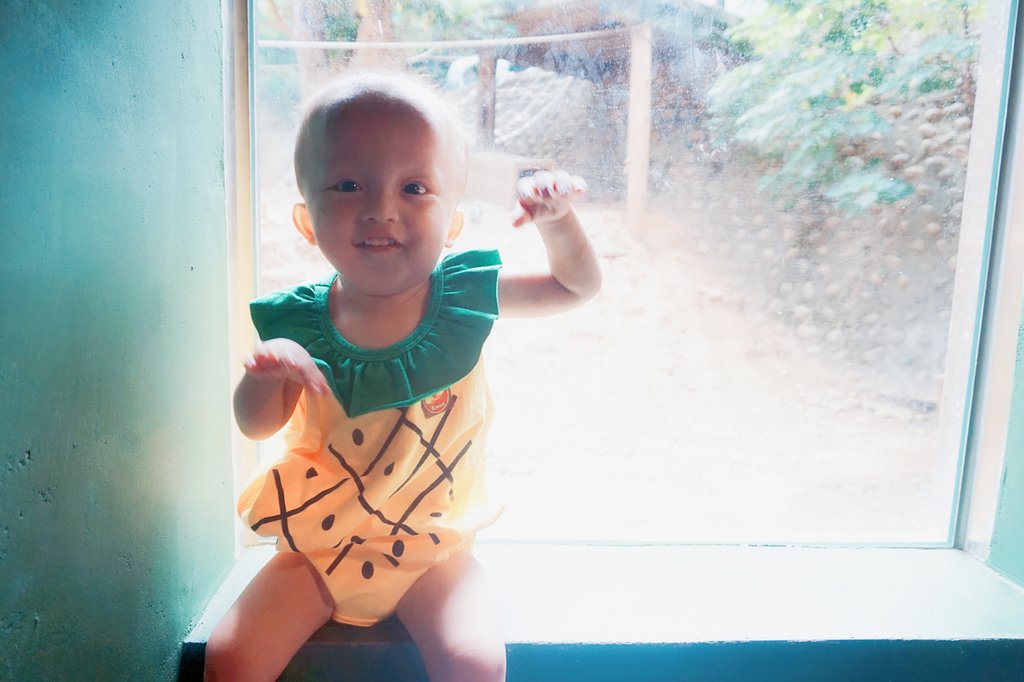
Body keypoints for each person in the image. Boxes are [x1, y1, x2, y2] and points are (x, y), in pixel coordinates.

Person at [204, 71, 602, 682]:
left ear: (455, 224)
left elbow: (574, 287)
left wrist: (557, 220)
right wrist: (263, 375)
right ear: (308, 222)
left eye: (414, 187)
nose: (381, 209)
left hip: (434, 548)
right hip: (318, 548)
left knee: (473, 661)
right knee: (231, 658)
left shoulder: (463, 296)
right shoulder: (298, 323)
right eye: (348, 185)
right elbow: (258, 426)